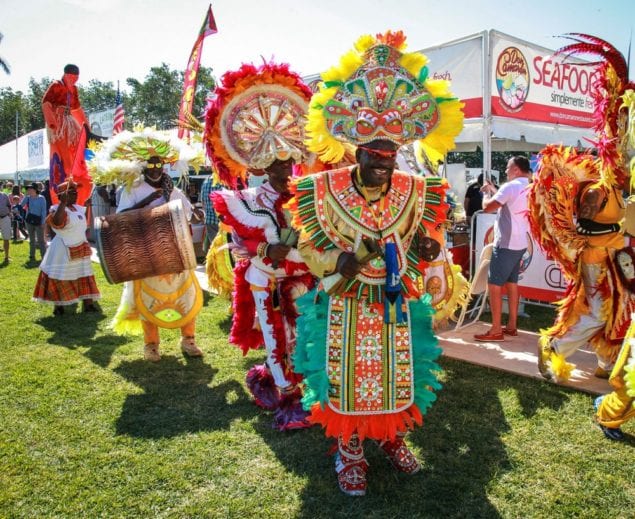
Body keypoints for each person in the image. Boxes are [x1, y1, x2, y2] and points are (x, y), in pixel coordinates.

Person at [289, 30, 464, 496]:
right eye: (374, 158)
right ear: (357, 151)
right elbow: (306, 243)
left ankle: (390, 437)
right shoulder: (322, 190)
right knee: (346, 375)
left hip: (395, 304)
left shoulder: (415, 189)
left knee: (395, 371)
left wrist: (429, 249)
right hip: (345, 304)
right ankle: (349, 452)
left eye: (390, 158)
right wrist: (335, 258)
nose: (384, 166)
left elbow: (423, 237)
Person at [205, 61, 318, 431]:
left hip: (303, 278)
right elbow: (240, 243)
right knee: (276, 333)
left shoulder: (306, 197)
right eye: (276, 164)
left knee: (303, 333)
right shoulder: (248, 200)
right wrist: (265, 253)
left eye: (288, 162)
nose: (285, 170)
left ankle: (297, 383)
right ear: (263, 167)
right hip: (264, 281)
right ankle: (287, 395)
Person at [530, 35, 635, 382]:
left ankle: (608, 362)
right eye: (619, 146)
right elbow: (585, 226)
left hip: (618, 255)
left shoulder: (621, 187)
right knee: (596, 312)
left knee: (621, 309)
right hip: (596, 259)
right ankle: (554, 349)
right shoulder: (595, 190)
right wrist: (618, 229)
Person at [89, 128, 206, 362]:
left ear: (165, 165)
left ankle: (188, 340)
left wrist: (197, 215)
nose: (155, 168)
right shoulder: (133, 189)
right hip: (147, 253)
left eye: (159, 164)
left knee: (186, 296)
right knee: (150, 299)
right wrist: (148, 202)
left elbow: (189, 214)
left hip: (177, 254)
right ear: (143, 166)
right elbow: (121, 218)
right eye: (151, 165)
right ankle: (151, 345)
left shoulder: (174, 190)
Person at [473, 156, 532, 342]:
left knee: (495, 286)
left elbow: (488, 208)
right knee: (512, 284)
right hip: (520, 243)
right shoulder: (529, 186)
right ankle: (512, 326)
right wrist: (493, 190)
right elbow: (510, 203)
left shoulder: (511, 186)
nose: (505, 171)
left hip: (506, 244)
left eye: (507, 168)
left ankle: (496, 329)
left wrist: (485, 194)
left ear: (515, 169)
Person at [32, 179, 100, 315]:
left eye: (75, 192)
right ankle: (59, 306)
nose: (75, 195)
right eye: (71, 192)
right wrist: (62, 203)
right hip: (63, 249)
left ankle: (88, 304)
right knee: (61, 276)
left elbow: (82, 224)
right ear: (61, 195)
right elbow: (57, 222)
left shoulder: (77, 208)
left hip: (80, 247)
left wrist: (87, 207)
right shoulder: (56, 209)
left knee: (84, 274)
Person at [41, 64, 92, 206]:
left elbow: (77, 109)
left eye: (76, 77)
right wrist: (52, 122)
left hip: (70, 122)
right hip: (59, 123)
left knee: (77, 151)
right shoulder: (56, 85)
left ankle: (78, 178)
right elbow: (46, 103)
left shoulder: (74, 89)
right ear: (65, 74)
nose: (74, 80)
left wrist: (86, 128)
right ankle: (67, 180)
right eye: (72, 76)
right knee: (63, 157)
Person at [22, 183, 48, 262]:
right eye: (28, 189)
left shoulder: (41, 198)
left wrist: (43, 222)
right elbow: (21, 205)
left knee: (41, 240)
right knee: (32, 239)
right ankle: (32, 255)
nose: (28, 190)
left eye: (30, 189)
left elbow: (44, 211)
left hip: (39, 222)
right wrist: (26, 196)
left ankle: (44, 256)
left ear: (35, 190)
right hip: (29, 221)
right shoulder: (28, 198)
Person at [200, 174, 220, 255]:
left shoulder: (206, 181)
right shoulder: (221, 182)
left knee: (215, 248)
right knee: (224, 248)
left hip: (209, 221)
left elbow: (203, 203)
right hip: (222, 221)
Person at [0, 190, 11, 264]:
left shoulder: (4, 195)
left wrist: (9, 214)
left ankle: (6, 257)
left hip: (5, 217)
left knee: (6, 238)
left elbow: (9, 205)